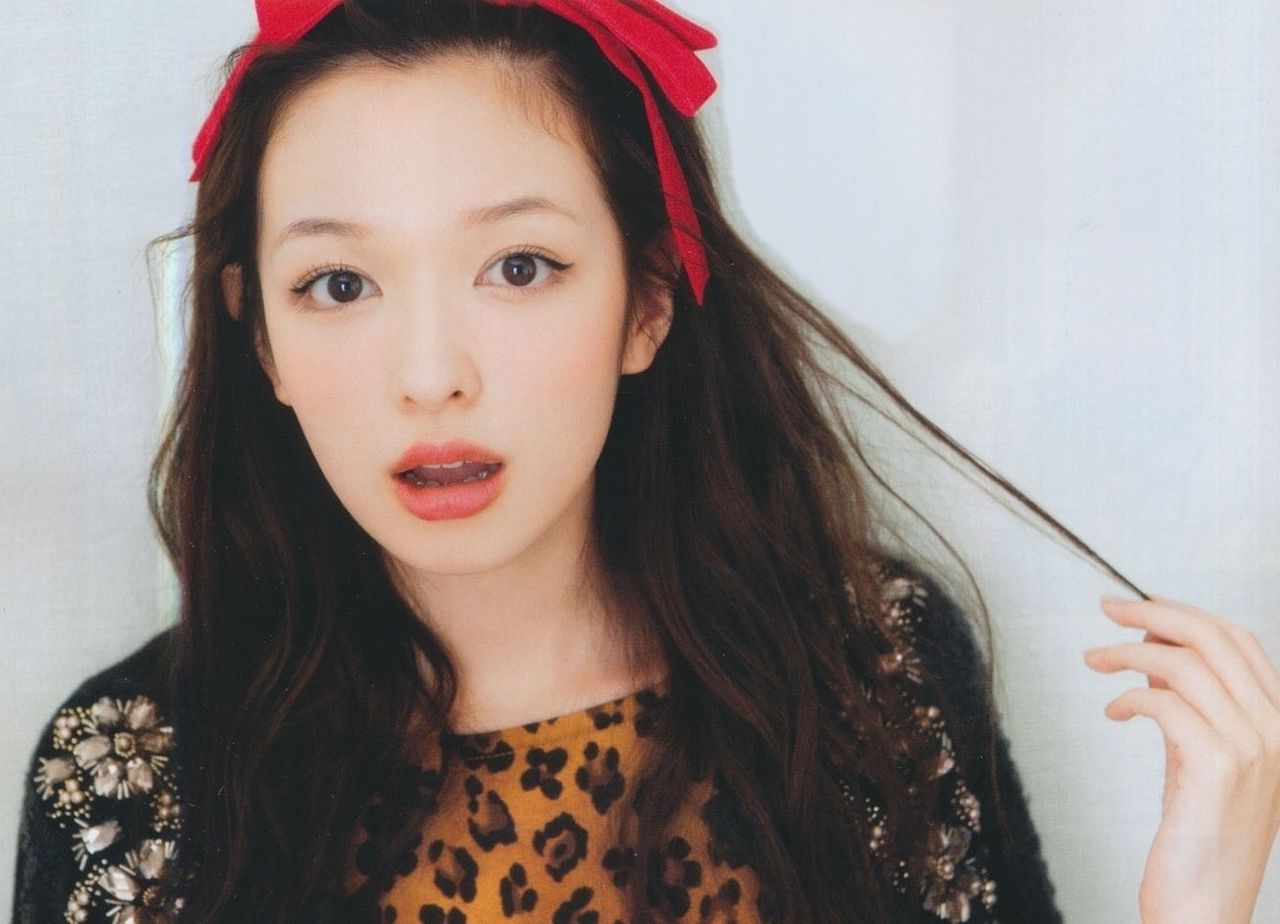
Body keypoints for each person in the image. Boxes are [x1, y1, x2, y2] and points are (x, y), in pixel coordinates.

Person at [10, 1, 1279, 922]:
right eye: (338, 283)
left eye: (519, 267)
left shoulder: (865, 673)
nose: (430, 374)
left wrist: (1199, 909)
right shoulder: (134, 777)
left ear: (648, 303)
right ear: (260, 338)